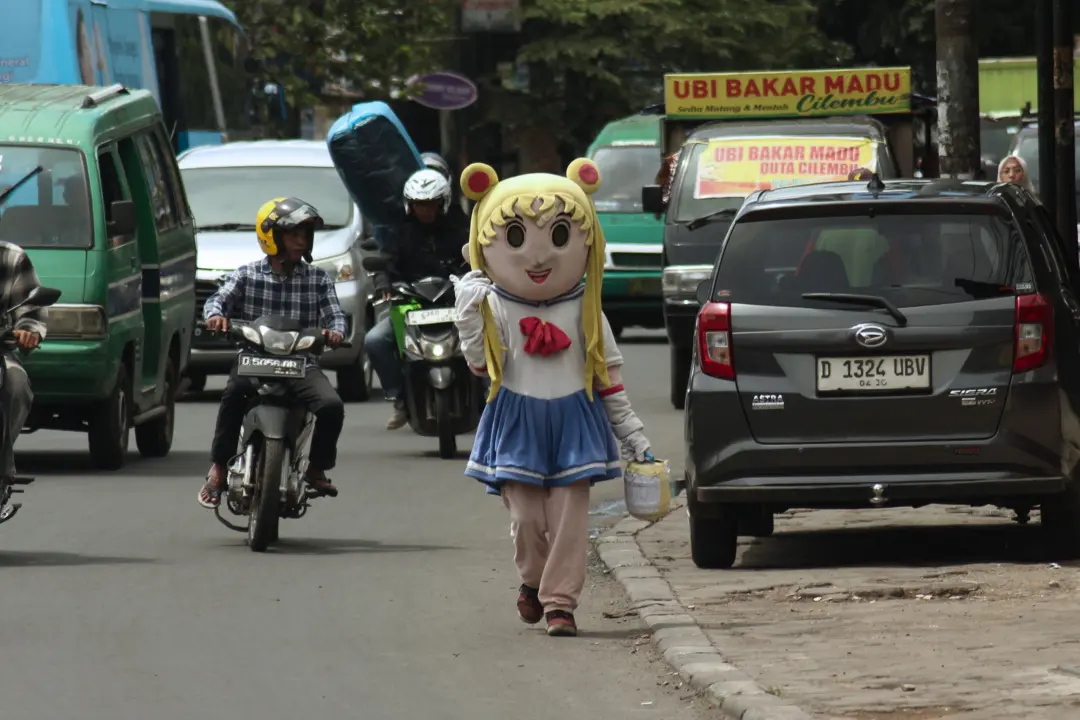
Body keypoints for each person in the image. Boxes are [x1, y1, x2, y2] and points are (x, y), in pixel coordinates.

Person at [452, 159, 653, 637]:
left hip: (575, 420)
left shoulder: (587, 310)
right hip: (517, 419)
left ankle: (560, 602)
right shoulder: (494, 304)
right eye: (517, 240)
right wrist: (467, 316)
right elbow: (480, 366)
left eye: (560, 237)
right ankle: (532, 579)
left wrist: (636, 441)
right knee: (525, 519)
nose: (538, 258)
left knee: (569, 520)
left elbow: (610, 381)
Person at [197, 197, 347, 509]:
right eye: (293, 234)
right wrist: (215, 317)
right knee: (232, 396)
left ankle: (316, 468)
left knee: (332, 406)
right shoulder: (247, 274)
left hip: (301, 363)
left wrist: (335, 332)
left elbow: (336, 318)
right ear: (272, 237)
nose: (300, 241)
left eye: (305, 235)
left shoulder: (318, 279)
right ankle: (219, 468)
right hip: (254, 361)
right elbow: (217, 301)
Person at [364, 168, 469, 430]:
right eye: (419, 205)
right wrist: (384, 284)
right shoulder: (400, 233)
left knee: (494, 331)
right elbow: (385, 263)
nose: (425, 211)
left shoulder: (460, 228)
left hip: (455, 302)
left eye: (430, 205)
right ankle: (399, 397)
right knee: (375, 341)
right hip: (410, 305)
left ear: (442, 203)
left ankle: (495, 394)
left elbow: (476, 255)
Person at [0, 242, 47, 485]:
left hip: (1, 353)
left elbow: (31, 311)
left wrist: (27, 332)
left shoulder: (12, 258)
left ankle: (2, 464)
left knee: (16, 385)